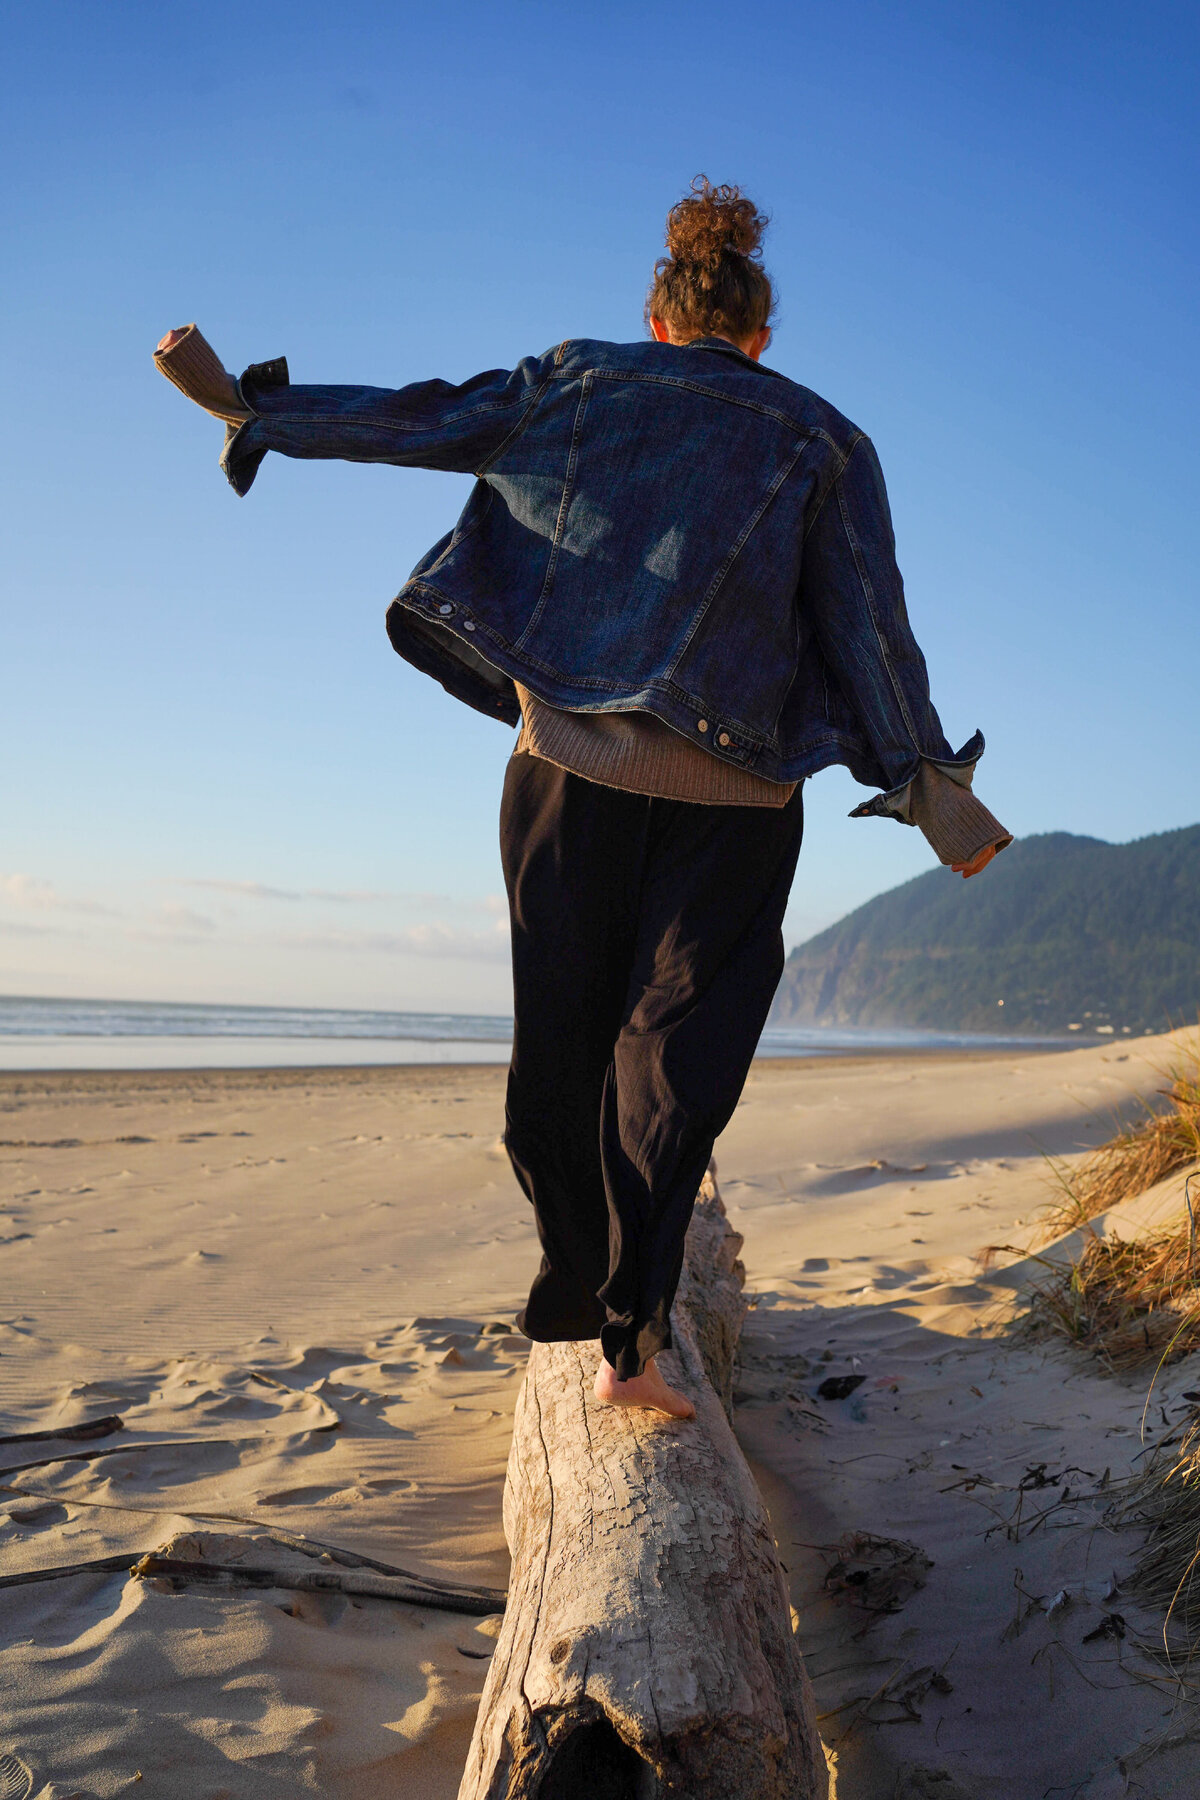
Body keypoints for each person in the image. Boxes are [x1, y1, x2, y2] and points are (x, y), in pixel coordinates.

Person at [155, 176, 1011, 1420]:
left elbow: (421, 418)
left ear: (657, 318)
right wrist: (930, 787)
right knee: (673, 1063)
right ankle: (632, 1346)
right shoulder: (825, 436)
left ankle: (579, 1279)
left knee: (561, 1044)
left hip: (565, 768)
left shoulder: (578, 378)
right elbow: (867, 625)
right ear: (758, 334)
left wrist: (251, 410)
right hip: (736, 804)